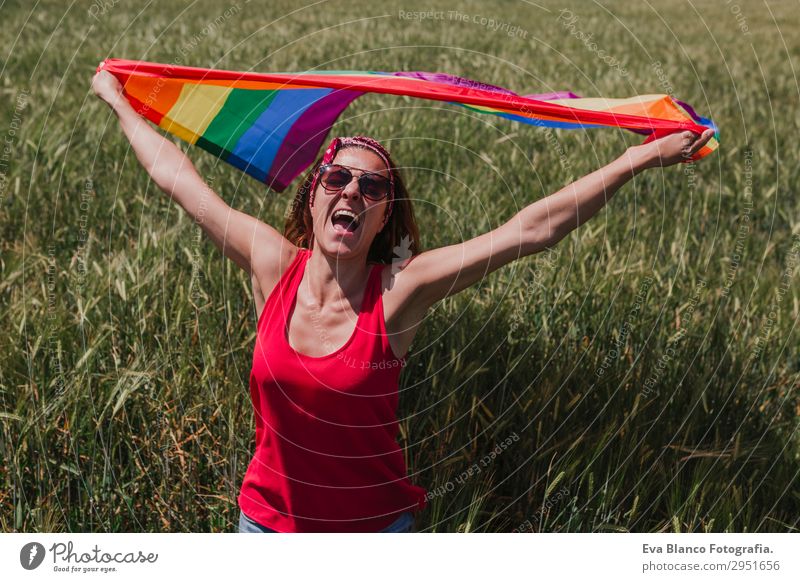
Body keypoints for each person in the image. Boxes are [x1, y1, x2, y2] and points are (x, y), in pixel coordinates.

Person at [91, 67, 716, 533]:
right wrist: (119, 101)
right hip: (265, 532)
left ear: (385, 214)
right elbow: (176, 176)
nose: (352, 193)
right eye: (337, 179)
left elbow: (531, 230)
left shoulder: (400, 294)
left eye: (372, 187)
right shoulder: (270, 264)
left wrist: (638, 158)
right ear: (313, 199)